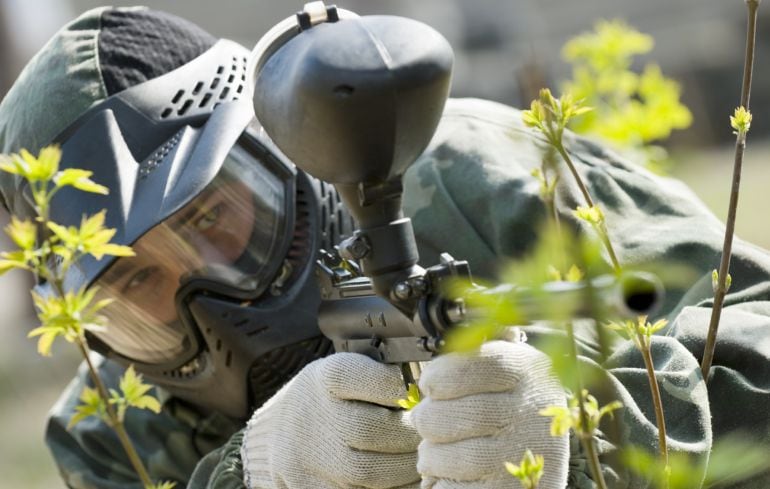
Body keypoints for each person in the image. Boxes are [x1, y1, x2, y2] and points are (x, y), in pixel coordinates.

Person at [1, 5, 769, 489]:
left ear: (284, 152)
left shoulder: (474, 175)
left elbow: (756, 334)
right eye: (135, 284)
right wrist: (252, 471)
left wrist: (594, 421)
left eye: (213, 221)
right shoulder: (112, 432)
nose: (206, 300)